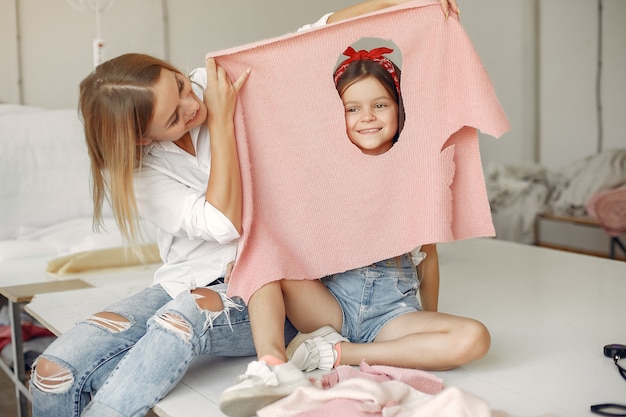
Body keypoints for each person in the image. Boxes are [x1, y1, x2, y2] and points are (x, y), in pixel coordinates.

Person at [219, 3, 491, 416]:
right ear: (337, 117)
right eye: (353, 108)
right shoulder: (326, 168)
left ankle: (337, 354)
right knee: (259, 247)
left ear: (400, 110)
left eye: (380, 105)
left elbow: (428, 257)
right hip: (329, 303)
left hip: (392, 313)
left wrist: (423, 330)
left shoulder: (416, 167)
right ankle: (271, 365)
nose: (367, 117)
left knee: (474, 338)